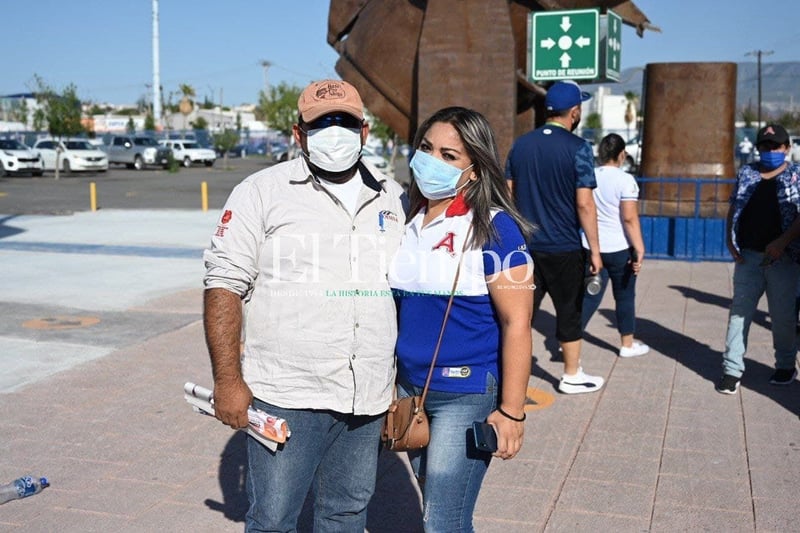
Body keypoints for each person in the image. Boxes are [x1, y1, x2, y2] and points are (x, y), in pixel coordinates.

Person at [203, 79, 407, 531]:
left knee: (347, 513)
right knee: (274, 520)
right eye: (321, 123)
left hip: (367, 394)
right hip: (287, 393)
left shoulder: (393, 198)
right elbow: (223, 285)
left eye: (345, 121)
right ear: (299, 134)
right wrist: (227, 380)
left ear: (365, 130)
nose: (334, 131)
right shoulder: (261, 192)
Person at [388, 106, 534, 531]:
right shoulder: (408, 218)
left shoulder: (495, 228)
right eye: (427, 148)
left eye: (449, 156)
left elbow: (518, 324)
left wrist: (511, 411)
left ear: (475, 169)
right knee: (438, 510)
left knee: (442, 520)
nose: (432, 161)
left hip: (466, 391)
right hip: (410, 389)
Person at [505, 80, 605, 394]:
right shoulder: (578, 148)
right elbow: (585, 203)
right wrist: (596, 250)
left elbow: (507, 195)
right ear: (574, 112)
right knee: (568, 311)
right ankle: (571, 374)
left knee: (519, 315)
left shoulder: (520, 145)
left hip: (526, 247)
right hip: (564, 247)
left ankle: (507, 373)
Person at [717, 123, 800, 394]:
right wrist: (730, 240)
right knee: (739, 314)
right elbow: (735, 206)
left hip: (783, 260)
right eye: (765, 146)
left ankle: (786, 365)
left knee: (783, 317)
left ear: (786, 148)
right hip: (749, 258)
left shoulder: (796, 175)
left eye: (776, 146)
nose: (770, 151)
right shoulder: (748, 172)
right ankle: (731, 370)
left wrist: (782, 241)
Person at [580, 133, 649, 357]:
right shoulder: (626, 180)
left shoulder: (589, 176)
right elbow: (629, 218)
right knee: (625, 296)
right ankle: (626, 344)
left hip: (591, 246)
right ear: (621, 154)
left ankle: (570, 339)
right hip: (619, 248)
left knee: (589, 295)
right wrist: (639, 248)